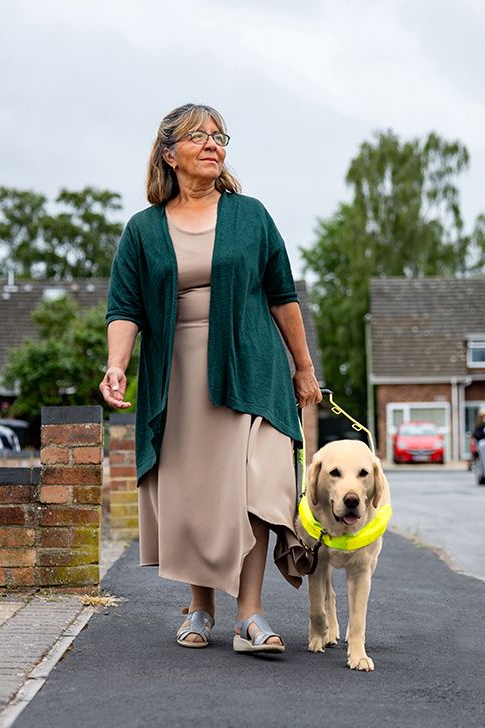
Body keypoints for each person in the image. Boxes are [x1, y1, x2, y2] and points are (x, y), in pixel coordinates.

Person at [99, 104, 322, 654]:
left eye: (220, 135)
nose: (213, 144)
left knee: (257, 484)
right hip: (179, 372)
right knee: (199, 491)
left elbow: (282, 296)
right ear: (168, 153)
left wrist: (304, 368)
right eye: (198, 136)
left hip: (252, 364)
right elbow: (124, 307)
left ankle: (251, 614)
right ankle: (201, 607)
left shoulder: (251, 216)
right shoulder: (143, 230)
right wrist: (117, 364)